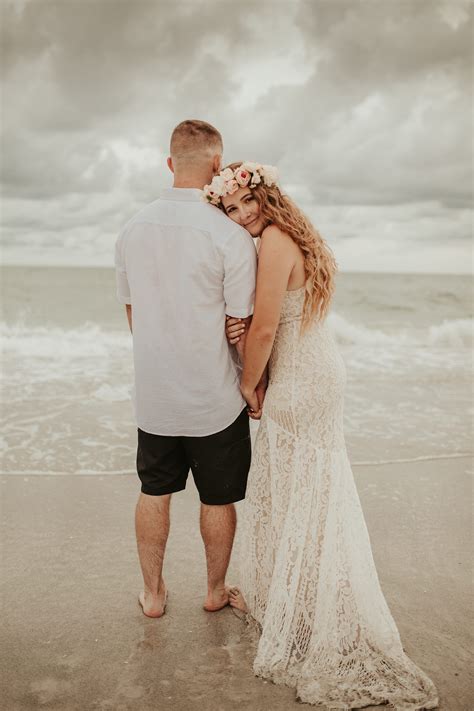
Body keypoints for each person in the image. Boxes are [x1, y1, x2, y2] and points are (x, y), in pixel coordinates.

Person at [203, 162, 438, 709]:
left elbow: (265, 328)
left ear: (267, 196)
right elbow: (274, 320)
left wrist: (246, 383)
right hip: (314, 369)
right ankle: (297, 601)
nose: (241, 216)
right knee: (306, 492)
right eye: (230, 210)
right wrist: (237, 332)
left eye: (246, 203)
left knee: (298, 491)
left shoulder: (276, 240)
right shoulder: (292, 236)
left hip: (301, 381)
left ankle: (305, 616)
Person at [114, 122, 257, 618]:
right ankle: (214, 591)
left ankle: (153, 595)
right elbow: (240, 323)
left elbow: (132, 312)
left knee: (154, 490)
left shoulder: (132, 228)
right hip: (214, 397)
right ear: (218, 166)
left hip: (155, 396)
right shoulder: (229, 234)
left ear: (170, 163)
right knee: (217, 499)